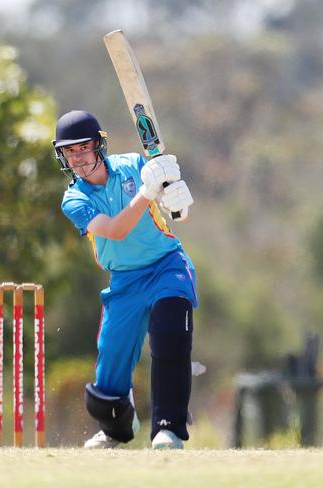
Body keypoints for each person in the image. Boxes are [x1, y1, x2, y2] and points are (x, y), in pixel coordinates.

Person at [54, 110, 197, 449]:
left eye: (82, 148)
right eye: (69, 151)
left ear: (98, 146)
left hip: (166, 265)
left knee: (169, 334)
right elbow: (116, 230)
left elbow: (175, 210)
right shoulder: (74, 199)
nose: (76, 157)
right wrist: (147, 193)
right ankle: (117, 429)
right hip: (124, 281)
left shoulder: (133, 165)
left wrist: (174, 195)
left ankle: (169, 428)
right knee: (106, 382)